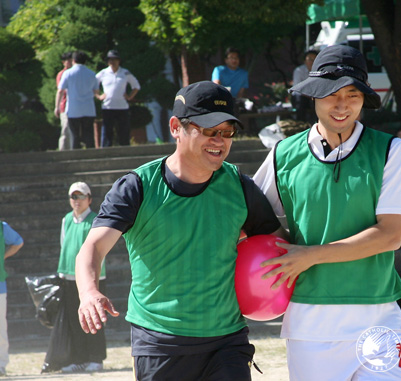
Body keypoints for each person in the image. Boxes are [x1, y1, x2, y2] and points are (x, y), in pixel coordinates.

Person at [75, 81, 284, 380]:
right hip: (159, 342)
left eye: (228, 132)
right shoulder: (138, 187)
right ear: (176, 127)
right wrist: (89, 292)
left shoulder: (239, 186)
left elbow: (277, 245)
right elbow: (92, 248)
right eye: (210, 130)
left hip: (227, 341)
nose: (220, 140)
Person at [253, 45, 401, 380]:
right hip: (309, 324)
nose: (341, 105)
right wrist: (284, 249)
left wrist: (310, 255)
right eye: (330, 94)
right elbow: (251, 216)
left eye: (352, 94)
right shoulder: (283, 154)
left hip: (379, 318)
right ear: (314, 95)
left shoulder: (390, 150)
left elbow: (390, 236)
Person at [41, 182, 106, 374]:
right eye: (73, 197)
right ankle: (80, 359)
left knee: (94, 318)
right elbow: (64, 245)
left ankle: (96, 358)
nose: (76, 201)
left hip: (94, 279)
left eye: (81, 197)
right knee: (75, 321)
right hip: (69, 277)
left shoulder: (96, 220)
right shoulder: (66, 220)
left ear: (89, 199)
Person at [96, 50, 141, 147]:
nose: (112, 62)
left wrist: (130, 96)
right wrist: (99, 96)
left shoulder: (125, 73)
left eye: (115, 59)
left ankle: (125, 150)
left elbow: (136, 86)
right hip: (108, 107)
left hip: (122, 107)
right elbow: (92, 85)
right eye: (110, 60)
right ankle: (105, 151)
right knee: (107, 131)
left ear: (119, 61)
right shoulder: (103, 73)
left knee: (123, 131)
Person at [56, 51, 100, 150]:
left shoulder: (67, 73)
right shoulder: (92, 74)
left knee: (74, 136)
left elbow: (60, 90)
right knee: (89, 134)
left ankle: (75, 157)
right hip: (89, 108)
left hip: (73, 109)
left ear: (74, 60)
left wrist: (57, 106)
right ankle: (92, 156)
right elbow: (96, 90)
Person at [0, 221, 23, 377]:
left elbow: (18, 242)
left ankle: (1, 364)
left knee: (0, 327)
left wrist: (2, 256)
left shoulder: (2, 227)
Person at [292, 50, 318, 124]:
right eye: (310, 59)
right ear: (305, 61)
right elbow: (298, 88)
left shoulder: (320, 71)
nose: (312, 62)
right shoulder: (299, 71)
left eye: (314, 60)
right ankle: (300, 124)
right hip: (301, 96)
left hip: (314, 96)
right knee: (300, 101)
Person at [56, 52, 73, 151]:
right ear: (64, 62)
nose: (71, 62)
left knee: (72, 131)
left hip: (75, 105)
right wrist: (57, 106)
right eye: (68, 61)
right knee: (65, 129)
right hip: (64, 105)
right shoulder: (62, 74)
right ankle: (62, 150)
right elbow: (61, 90)